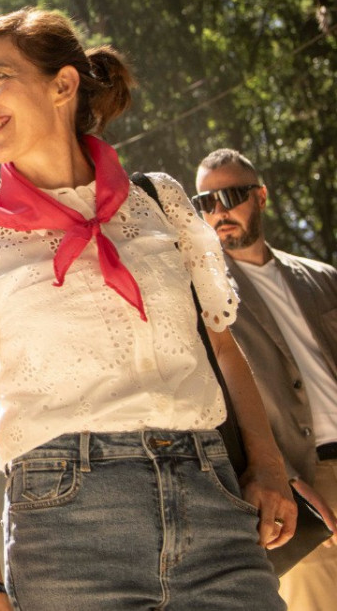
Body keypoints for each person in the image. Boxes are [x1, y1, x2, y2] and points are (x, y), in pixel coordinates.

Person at [0, 7, 297, 611]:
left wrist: (269, 467)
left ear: (63, 85)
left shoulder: (162, 201)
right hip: (66, 531)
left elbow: (223, 348)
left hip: (215, 508)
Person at [194, 148, 337, 608]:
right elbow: (220, 403)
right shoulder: (203, 298)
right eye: (205, 202)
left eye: (231, 195)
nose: (219, 211)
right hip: (300, 487)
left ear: (261, 196)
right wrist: (285, 476)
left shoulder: (324, 279)